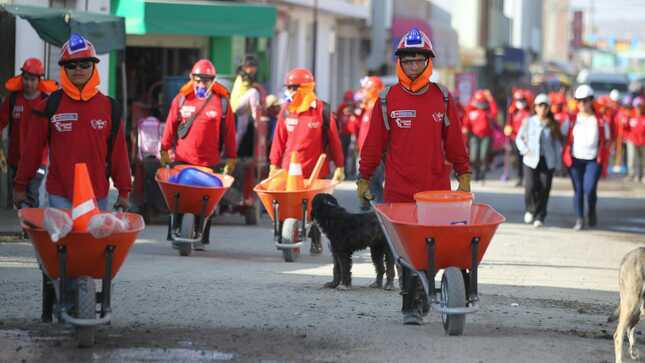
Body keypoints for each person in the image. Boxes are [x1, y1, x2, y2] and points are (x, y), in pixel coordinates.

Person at [357, 28, 471, 325]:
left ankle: (427, 295)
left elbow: (455, 141)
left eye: (418, 60)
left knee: (432, 248)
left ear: (427, 62)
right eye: (407, 60)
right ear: (400, 63)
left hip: (436, 192)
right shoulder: (386, 100)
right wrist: (363, 177)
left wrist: (464, 172)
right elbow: (373, 145)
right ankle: (411, 305)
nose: (412, 66)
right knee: (407, 251)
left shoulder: (443, 98)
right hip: (399, 191)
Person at [14, 34, 131, 211]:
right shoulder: (48, 106)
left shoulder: (110, 108)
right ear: (64, 69)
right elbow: (32, 151)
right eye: (71, 65)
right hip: (59, 196)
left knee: (91, 240)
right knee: (62, 241)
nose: (78, 69)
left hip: (97, 196)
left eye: (85, 64)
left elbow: (119, 155)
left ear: (94, 67)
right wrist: (20, 186)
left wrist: (124, 192)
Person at [160, 58, 237, 247]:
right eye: (198, 79)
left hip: (208, 164)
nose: (202, 83)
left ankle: (201, 236)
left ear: (213, 80)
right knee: (178, 199)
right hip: (182, 161)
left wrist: (231, 157)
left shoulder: (222, 103)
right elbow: (170, 126)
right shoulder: (181, 100)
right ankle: (176, 232)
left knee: (206, 202)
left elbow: (229, 134)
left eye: (206, 80)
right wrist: (164, 149)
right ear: (191, 78)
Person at [269, 67, 345, 254]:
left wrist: (340, 165)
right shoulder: (286, 110)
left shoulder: (322, 110)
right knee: (287, 204)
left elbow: (334, 139)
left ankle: (315, 239)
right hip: (288, 172)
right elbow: (278, 140)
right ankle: (286, 234)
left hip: (315, 171)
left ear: (306, 88)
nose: (290, 92)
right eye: (288, 87)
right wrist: (273, 164)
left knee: (316, 208)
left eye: (294, 88)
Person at [0, 58, 57, 207]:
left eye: (32, 79)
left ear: (39, 80)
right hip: (15, 159)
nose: (28, 83)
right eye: (26, 79)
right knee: (19, 196)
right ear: (21, 78)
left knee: (32, 192)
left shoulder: (47, 102)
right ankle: (25, 226)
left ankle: (31, 227)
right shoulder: (12, 99)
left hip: (39, 161)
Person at [515, 94, 563, 227]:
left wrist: (559, 164)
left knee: (544, 188)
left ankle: (540, 216)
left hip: (548, 161)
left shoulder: (553, 124)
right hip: (530, 159)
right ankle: (530, 210)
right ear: (535, 107)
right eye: (540, 105)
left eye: (545, 106)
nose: (542, 108)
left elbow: (557, 145)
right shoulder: (528, 121)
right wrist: (524, 150)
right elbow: (519, 138)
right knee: (530, 186)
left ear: (548, 108)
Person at [563, 84, 606, 231]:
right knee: (579, 189)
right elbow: (562, 134)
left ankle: (591, 210)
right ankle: (580, 218)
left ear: (591, 101)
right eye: (579, 100)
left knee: (590, 188)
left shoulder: (599, 120)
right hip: (575, 159)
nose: (581, 103)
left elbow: (606, 139)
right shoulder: (572, 119)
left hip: (593, 159)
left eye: (585, 100)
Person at [355, 76, 385, 205]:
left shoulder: (376, 109)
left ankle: (379, 218)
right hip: (366, 156)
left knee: (373, 189)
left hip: (374, 158)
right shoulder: (368, 108)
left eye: (366, 90)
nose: (363, 93)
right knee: (370, 189)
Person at [462, 90, 495, 181]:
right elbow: (466, 121)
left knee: (483, 156)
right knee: (473, 156)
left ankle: (482, 172)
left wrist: (490, 99)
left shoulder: (487, 111)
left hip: (486, 137)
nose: (480, 103)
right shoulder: (471, 111)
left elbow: (494, 112)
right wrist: (465, 128)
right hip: (474, 137)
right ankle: (476, 173)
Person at [506, 90, 533, 186]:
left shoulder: (529, 111)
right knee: (518, 159)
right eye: (518, 100)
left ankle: (527, 178)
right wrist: (508, 128)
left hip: (526, 140)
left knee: (525, 159)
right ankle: (519, 178)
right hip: (515, 139)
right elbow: (509, 124)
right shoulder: (512, 111)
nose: (520, 102)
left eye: (521, 100)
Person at [625, 97, 644, 183]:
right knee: (633, 159)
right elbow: (626, 128)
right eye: (637, 106)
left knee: (643, 160)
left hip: (643, 142)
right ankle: (634, 175)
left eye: (640, 106)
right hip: (633, 141)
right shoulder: (630, 116)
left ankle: (643, 175)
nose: (638, 108)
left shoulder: (643, 117)